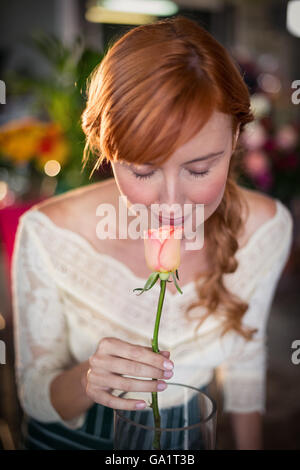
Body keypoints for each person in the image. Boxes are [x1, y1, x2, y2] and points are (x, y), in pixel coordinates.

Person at [11, 16, 293, 450]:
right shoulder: (49, 233)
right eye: (143, 171)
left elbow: (245, 362)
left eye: (199, 168)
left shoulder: (267, 229)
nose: (172, 203)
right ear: (108, 150)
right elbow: (32, 396)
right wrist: (87, 379)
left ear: (236, 137)